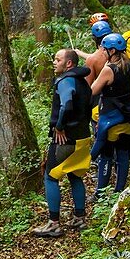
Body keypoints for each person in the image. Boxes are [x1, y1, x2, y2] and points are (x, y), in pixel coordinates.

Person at [33, 49, 92, 238]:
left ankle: (54, 224)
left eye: (58, 59)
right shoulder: (82, 81)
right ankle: (79, 218)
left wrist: (59, 127)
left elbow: (66, 104)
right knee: (75, 176)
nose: (54, 62)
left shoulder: (65, 81)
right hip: (83, 137)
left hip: (65, 139)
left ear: (69, 64)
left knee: (50, 177)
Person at [89, 34, 130, 198]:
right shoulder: (129, 67)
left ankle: (100, 193)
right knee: (123, 154)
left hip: (110, 119)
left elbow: (93, 89)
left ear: (112, 51)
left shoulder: (108, 69)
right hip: (128, 117)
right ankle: (119, 190)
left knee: (105, 156)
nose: (103, 52)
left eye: (105, 49)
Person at [84, 20, 112, 85]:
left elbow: (88, 85)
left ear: (94, 38)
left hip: (102, 93)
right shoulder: (122, 55)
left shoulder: (92, 59)